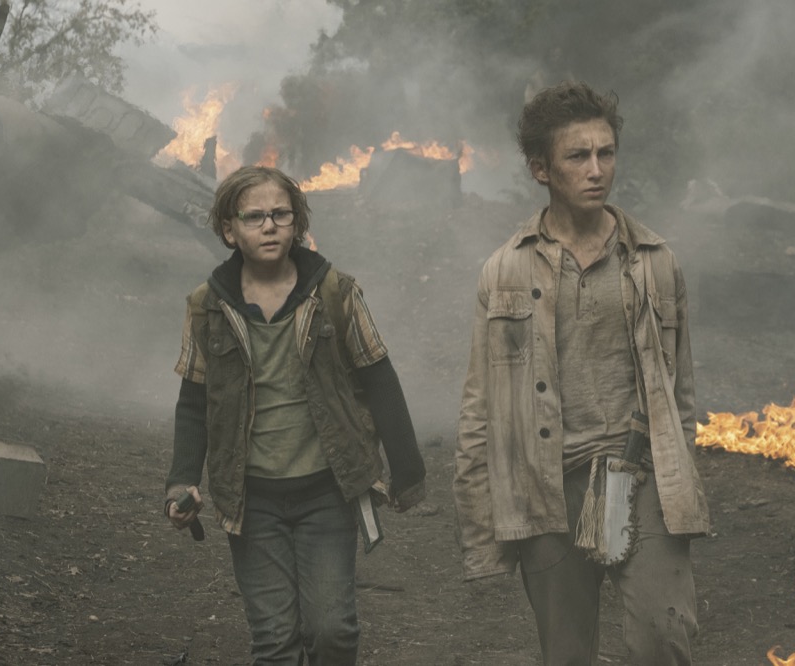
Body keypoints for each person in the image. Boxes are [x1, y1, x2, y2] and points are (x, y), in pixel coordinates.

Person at [453, 82, 710, 665]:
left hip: (638, 474)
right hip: (548, 485)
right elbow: (480, 409)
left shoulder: (654, 262)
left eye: (606, 152)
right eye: (578, 156)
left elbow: (682, 393)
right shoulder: (505, 271)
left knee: (662, 638)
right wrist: (481, 535)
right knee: (567, 654)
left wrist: (680, 484)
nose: (597, 170)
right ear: (541, 169)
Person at [164, 165, 426, 665]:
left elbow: (379, 376)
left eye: (281, 215)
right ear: (229, 230)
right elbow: (194, 402)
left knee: (331, 630)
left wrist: (407, 470)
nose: (269, 226)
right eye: (254, 217)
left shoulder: (335, 293)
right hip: (251, 498)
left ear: (297, 224)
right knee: (275, 639)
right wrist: (181, 481)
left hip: (326, 490)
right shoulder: (207, 307)